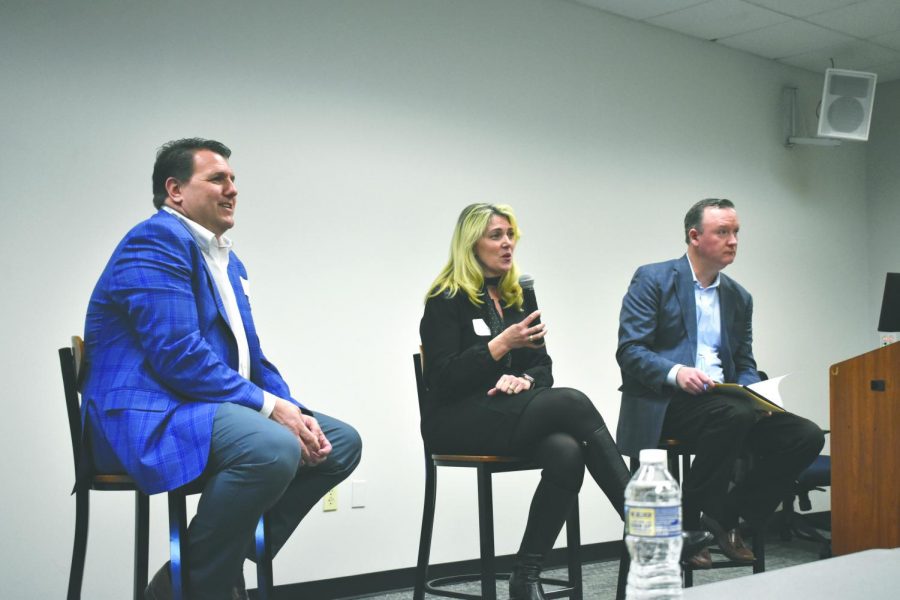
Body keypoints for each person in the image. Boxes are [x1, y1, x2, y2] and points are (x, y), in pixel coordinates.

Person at [81, 138, 362, 600]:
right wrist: (273, 412)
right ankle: (208, 576)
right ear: (175, 190)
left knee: (339, 442)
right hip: (145, 418)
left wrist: (290, 408)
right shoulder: (156, 241)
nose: (232, 189)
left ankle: (194, 571)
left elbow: (252, 357)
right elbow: (178, 354)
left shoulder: (228, 261)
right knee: (271, 447)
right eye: (217, 179)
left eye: (233, 180)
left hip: (198, 412)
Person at [420, 203, 709, 600]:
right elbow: (441, 380)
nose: (507, 244)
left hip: (506, 415)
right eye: (496, 236)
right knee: (572, 403)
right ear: (471, 244)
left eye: (510, 234)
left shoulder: (518, 295)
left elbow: (543, 367)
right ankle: (648, 527)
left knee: (566, 449)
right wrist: (500, 345)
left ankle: (526, 574)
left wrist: (523, 379)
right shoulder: (445, 298)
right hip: (456, 421)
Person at [616, 198, 824, 568]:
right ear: (694, 236)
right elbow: (630, 351)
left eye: (736, 232)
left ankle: (727, 517)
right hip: (667, 402)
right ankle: (692, 525)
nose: (733, 240)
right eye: (723, 232)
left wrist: (752, 391)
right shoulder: (653, 278)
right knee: (732, 415)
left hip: (727, 405)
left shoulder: (739, 297)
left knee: (805, 434)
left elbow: (744, 362)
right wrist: (676, 373)